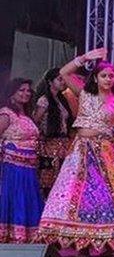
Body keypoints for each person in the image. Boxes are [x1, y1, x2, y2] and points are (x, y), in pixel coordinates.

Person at [35, 49, 114, 255]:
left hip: (105, 152)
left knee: (106, 194)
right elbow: (64, 73)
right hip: (81, 150)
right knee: (78, 194)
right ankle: (82, 245)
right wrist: (84, 58)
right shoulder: (84, 93)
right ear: (96, 77)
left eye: (111, 76)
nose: (108, 79)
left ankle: (111, 240)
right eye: (104, 75)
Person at [0, 78, 44, 243]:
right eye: (21, 90)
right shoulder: (6, 113)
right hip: (13, 167)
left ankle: (27, 237)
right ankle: (11, 236)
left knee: (27, 199)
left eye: (28, 90)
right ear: (12, 93)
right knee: (16, 199)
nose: (26, 93)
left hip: (29, 167)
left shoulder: (26, 114)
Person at [33, 68, 73, 196]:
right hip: (49, 145)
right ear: (50, 82)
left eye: (64, 79)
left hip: (62, 145)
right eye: (59, 79)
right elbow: (35, 122)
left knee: (61, 179)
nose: (63, 82)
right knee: (48, 178)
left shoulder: (62, 99)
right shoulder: (44, 100)